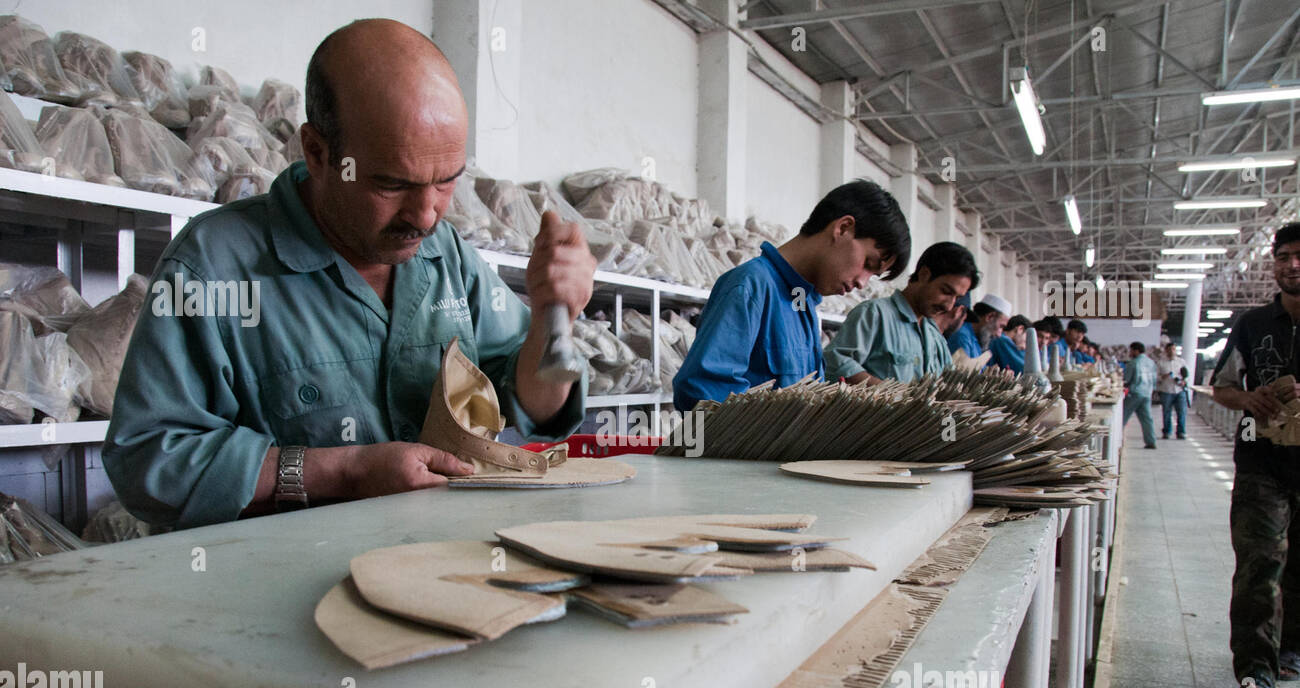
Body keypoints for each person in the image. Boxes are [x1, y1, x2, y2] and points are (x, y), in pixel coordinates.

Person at [103, 19, 597, 529]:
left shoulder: (446, 255)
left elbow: (534, 405)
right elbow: (147, 461)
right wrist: (346, 472)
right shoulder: (212, 268)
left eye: (446, 182)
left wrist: (548, 321)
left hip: (433, 569)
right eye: (391, 184)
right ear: (318, 153)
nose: (426, 215)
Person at [672, 180, 910, 411]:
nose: (862, 282)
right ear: (843, 228)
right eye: (867, 263)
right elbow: (702, 392)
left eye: (873, 275)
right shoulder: (751, 287)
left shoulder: (804, 303)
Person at [1210, 221, 1300, 688]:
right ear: (1274, 264)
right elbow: (1220, 387)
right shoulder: (1251, 325)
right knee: (1259, 567)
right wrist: (1250, 400)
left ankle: (1292, 649)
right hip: (1261, 466)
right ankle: (1255, 671)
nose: (1293, 264)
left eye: (1299, 255)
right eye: (1284, 256)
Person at [825, 241, 980, 385]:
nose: (949, 305)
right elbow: (835, 363)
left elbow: (946, 381)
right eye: (946, 291)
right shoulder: (875, 315)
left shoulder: (935, 338)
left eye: (957, 298)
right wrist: (894, 395)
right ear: (924, 274)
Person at [948, 292, 1010, 359]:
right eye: (1001, 326)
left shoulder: (976, 338)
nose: (999, 335)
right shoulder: (962, 337)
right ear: (989, 317)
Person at [1122, 341, 1158, 449]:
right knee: (1147, 419)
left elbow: (1126, 380)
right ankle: (1151, 441)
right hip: (1147, 393)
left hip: (1135, 393)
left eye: (1131, 350)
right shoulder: (1151, 362)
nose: (1130, 352)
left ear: (1136, 351)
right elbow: (1154, 379)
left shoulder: (1133, 363)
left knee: (1122, 416)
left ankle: (1117, 440)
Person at [1155, 343, 1189, 438]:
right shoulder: (1161, 363)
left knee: (1181, 412)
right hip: (1166, 390)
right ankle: (1167, 432)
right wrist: (1163, 376)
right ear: (1166, 350)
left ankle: (1181, 432)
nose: (1172, 351)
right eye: (1169, 349)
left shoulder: (1181, 362)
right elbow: (1156, 377)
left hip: (1179, 390)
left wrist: (1184, 381)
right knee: (1166, 412)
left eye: (1173, 349)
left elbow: (1187, 375)